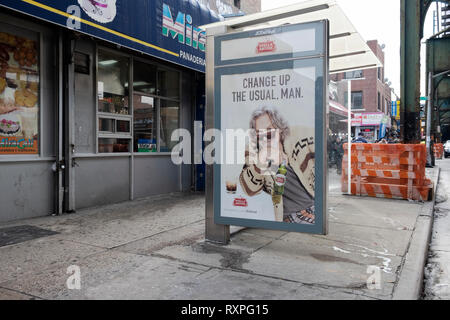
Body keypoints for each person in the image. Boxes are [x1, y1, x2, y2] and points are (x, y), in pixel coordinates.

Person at [239, 106, 315, 225]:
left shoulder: (296, 141)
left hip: (314, 205)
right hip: (293, 215)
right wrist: (260, 163)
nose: (265, 138)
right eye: (260, 134)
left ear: (279, 129)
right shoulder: (254, 152)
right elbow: (248, 188)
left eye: (269, 132)